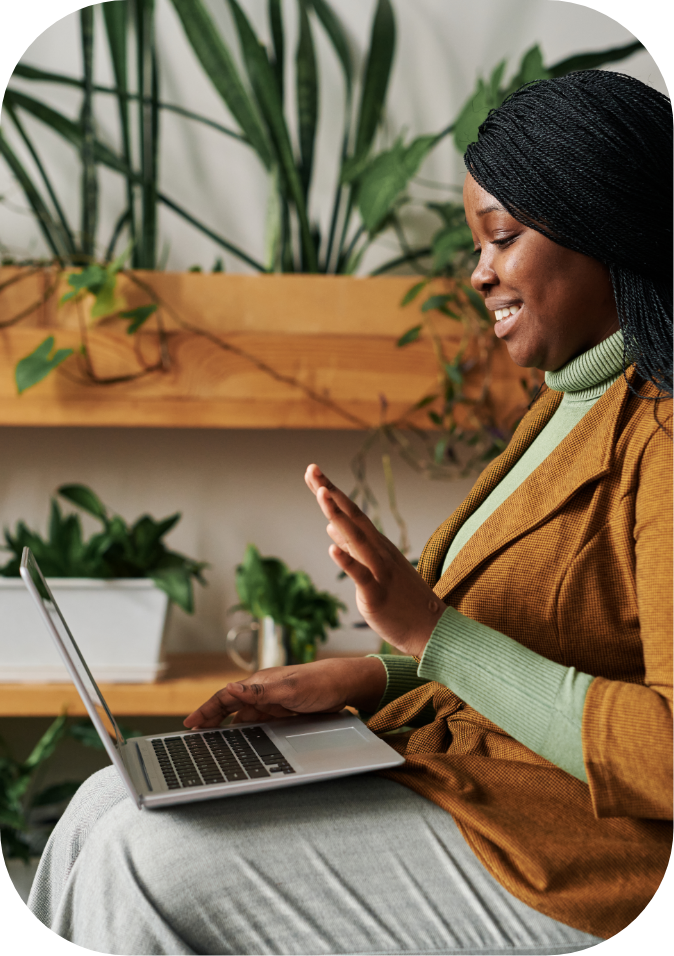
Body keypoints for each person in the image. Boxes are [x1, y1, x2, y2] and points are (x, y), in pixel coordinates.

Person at [28, 69, 673, 955]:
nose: (478, 272)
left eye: (501, 237)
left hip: (586, 850)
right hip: (478, 775)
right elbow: (562, 642)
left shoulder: (664, 434)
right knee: (106, 799)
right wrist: (370, 675)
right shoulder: (571, 400)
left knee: (149, 858)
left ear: (606, 226)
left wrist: (432, 634)